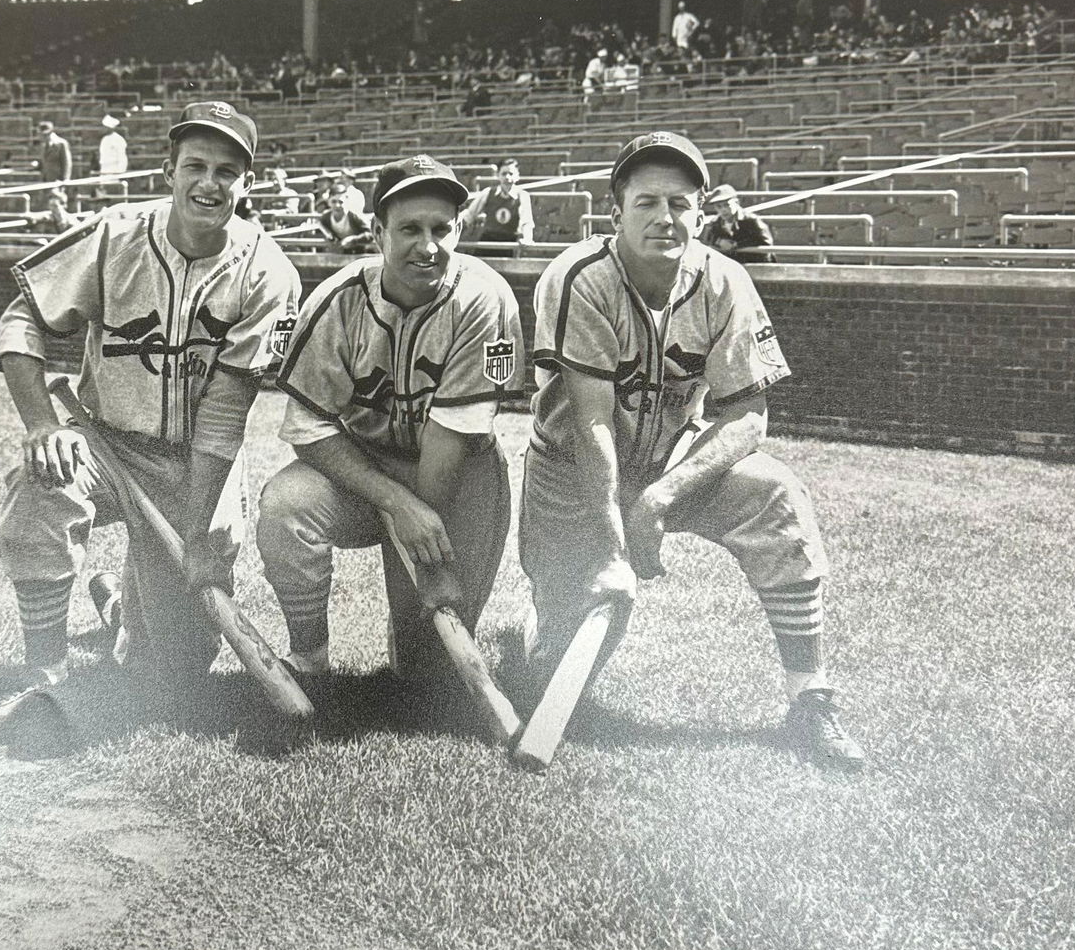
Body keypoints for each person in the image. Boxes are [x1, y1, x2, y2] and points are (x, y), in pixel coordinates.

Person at [519, 130, 863, 771]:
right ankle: (548, 630)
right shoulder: (577, 277)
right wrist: (614, 548)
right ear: (614, 210)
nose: (664, 217)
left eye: (680, 203)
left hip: (670, 462)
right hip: (570, 469)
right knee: (559, 655)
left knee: (775, 494)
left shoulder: (725, 279)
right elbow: (592, 425)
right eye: (645, 202)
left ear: (700, 214)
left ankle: (810, 699)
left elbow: (749, 414)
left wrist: (664, 494)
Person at [0, 101, 302, 724]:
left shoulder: (269, 274)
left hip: (195, 461)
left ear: (248, 183)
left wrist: (200, 524)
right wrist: (44, 424)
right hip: (103, 444)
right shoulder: (114, 234)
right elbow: (22, 319)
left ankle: (125, 615)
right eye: (196, 165)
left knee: (175, 670)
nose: (209, 183)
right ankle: (45, 673)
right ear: (168, 170)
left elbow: (225, 413)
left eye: (227, 171)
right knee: (42, 487)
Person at [257, 155, 525, 694]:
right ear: (377, 232)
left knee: (424, 680)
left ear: (460, 230)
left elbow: (457, 433)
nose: (427, 246)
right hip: (361, 468)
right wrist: (397, 503)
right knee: (286, 506)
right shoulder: (336, 299)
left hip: (460, 474)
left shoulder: (485, 298)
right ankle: (310, 661)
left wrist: (425, 546)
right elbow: (308, 428)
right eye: (409, 229)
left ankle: (476, 643)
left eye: (441, 229)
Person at [462, 158, 535, 250]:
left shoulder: (523, 196)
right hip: (488, 241)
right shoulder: (488, 192)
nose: (507, 177)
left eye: (511, 174)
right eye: (504, 174)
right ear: (498, 175)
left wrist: (528, 238)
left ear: (517, 176)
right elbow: (470, 215)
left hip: (509, 242)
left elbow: (526, 221)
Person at [701, 184, 773, 258]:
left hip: (753, 262)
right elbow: (706, 241)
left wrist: (737, 245)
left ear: (737, 203)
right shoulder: (715, 223)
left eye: (727, 205)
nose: (723, 210)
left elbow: (766, 243)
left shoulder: (751, 220)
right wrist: (718, 242)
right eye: (718, 206)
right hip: (729, 264)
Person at [317, 187, 371, 253]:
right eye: (333, 201)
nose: (337, 205)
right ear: (328, 202)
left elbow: (371, 233)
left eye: (341, 202)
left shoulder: (354, 215)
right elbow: (323, 230)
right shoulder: (326, 217)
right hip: (340, 252)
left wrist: (354, 239)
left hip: (359, 251)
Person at [35, 119, 73, 208]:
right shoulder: (43, 145)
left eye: (42, 135)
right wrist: (37, 164)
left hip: (57, 180)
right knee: (48, 205)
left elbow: (67, 163)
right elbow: (44, 162)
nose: (40, 136)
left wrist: (65, 180)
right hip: (46, 179)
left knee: (58, 204)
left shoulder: (61, 144)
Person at [97, 113, 129, 188]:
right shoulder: (104, 139)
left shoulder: (119, 140)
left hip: (114, 171)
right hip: (104, 171)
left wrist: (120, 174)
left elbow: (122, 159)